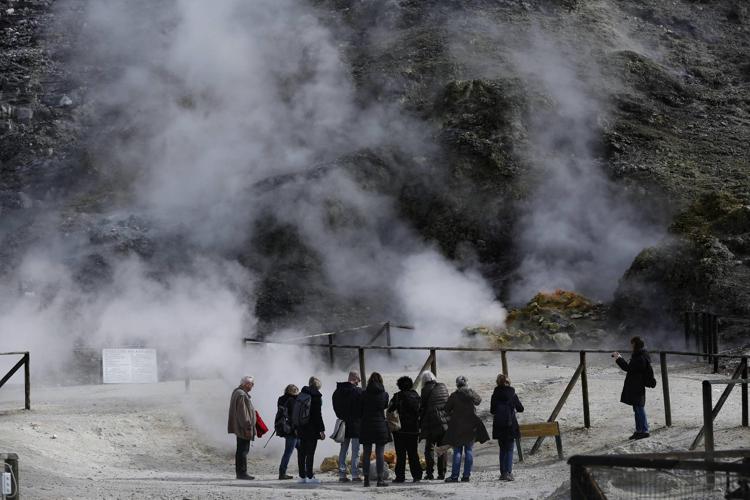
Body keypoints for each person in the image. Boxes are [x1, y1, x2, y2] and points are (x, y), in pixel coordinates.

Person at [443, 375, 484, 483]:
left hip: (457, 426)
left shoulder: (454, 395)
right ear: (466, 383)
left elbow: (446, 409)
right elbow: (479, 400)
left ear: (457, 384)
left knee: (457, 451)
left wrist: (454, 413)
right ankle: (466, 476)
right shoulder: (470, 393)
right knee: (469, 450)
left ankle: (454, 476)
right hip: (471, 425)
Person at [614, 336, 653, 440]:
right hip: (636, 384)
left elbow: (629, 368)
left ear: (635, 344)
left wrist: (618, 358)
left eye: (632, 344)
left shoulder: (640, 357)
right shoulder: (640, 355)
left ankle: (644, 430)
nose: (631, 346)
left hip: (637, 385)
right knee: (637, 408)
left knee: (639, 408)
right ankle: (639, 430)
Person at [388, 376, 423, 483]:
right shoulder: (417, 396)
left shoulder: (397, 396)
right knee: (413, 453)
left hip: (400, 430)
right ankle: (417, 476)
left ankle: (400, 476)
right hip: (414, 429)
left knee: (401, 454)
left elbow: (390, 410)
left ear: (399, 385)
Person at [359, 371, 390, 487]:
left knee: (366, 453)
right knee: (380, 454)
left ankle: (366, 480)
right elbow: (385, 406)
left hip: (366, 425)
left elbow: (360, 408)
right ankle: (380, 479)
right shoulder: (384, 394)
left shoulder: (363, 394)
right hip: (380, 426)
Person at [491, 374, 524, 481]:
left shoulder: (495, 394)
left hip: (499, 425)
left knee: (502, 450)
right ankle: (509, 473)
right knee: (510, 450)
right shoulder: (512, 394)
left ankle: (502, 473)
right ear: (508, 383)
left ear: (498, 383)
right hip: (510, 425)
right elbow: (521, 408)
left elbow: (492, 410)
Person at [332, 370, 363, 482]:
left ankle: (342, 474)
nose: (359, 382)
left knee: (343, 450)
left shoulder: (337, 392)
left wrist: (341, 416)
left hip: (343, 424)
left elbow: (335, 408)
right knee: (356, 451)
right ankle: (355, 475)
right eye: (359, 380)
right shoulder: (358, 392)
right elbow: (362, 408)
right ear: (355, 378)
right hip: (356, 424)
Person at [419, 371, 449, 480]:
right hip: (444, 422)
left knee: (429, 448)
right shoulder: (443, 387)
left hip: (431, 422)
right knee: (442, 448)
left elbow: (422, 406)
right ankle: (442, 473)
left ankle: (430, 473)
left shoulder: (425, 390)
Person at [227, 375, 256, 480]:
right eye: (252, 384)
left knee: (241, 450)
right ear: (247, 384)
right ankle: (242, 473)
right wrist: (248, 428)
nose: (252, 387)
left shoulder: (238, 392)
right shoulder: (242, 395)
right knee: (243, 451)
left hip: (240, 427)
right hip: (243, 428)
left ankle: (241, 473)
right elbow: (243, 414)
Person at [297, 377, 325, 484]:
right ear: (318, 386)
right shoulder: (316, 396)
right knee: (310, 453)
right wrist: (321, 430)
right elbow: (318, 415)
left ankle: (301, 477)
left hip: (301, 428)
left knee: (301, 453)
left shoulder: (301, 394)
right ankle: (309, 476)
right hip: (312, 429)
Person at [276, 384, 299, 480]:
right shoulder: (293, 401)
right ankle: (282, 473)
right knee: (288, 452)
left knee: (300, 450)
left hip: (285, 429)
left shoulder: (281, 399)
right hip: (292, 430)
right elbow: (294, 417)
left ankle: (304, 471)